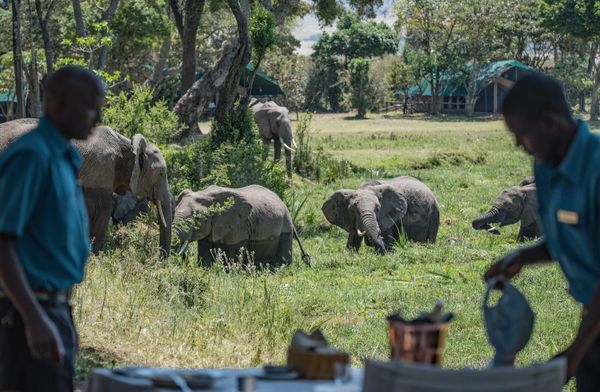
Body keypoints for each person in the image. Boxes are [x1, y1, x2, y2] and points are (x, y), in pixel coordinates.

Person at [484, 72, 600, 391]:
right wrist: (522, 255)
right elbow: (571, 236)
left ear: (549, 123)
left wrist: (574, 355)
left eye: (522, 134)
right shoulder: (546, 165)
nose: (519, 145)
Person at [0, 66, 104, 391]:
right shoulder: (32, 155)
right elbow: (2, 239)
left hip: (53, 308)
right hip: (26, 313)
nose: (98, 116)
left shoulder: (63, 157)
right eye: (90, 105)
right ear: (58, 104)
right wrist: (33, 319)